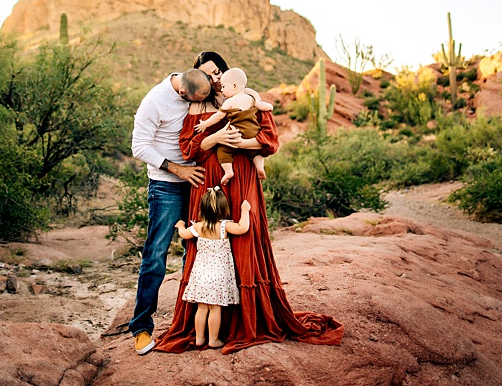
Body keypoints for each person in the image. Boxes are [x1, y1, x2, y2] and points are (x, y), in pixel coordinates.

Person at [154, 74, 344, 354]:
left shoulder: (247, 101)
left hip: (242, 179)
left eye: (218, 74)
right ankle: (205, 329)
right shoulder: (193, 111)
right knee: (209, 244)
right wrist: (216, 137)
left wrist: (241, 144)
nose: (215, 80)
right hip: (208, 182)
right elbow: (188, 150)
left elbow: (269, 141)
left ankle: (245, 320)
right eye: (209, 75)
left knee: (243, 240)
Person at [126, 66, 244, 355]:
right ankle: (141, 328)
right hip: (167, 183)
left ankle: (190, 322)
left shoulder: (196, 84)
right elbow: (139, 147)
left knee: (195, 251)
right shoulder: (154, 102)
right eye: (190, 101)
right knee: (156, 254)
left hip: (197, 181)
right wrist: (177, 169)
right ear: (181, 93)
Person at [174, 189, 251, 349]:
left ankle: (200, 338)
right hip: (219, 276)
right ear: (224, 209)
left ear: (202, 208)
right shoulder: (225, 226)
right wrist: (245, 211)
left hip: (201, 275)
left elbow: (184, 234)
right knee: (215, 309)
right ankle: (213, 339)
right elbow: (243, 228)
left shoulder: (199, 226)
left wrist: (181, 225)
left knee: (201, 308)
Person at [194, 67, 273, 183]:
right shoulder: (251, 99)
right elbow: (266, 107)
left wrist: (204, 124)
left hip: (237, 133)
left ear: (234, 86)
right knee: (256, 153)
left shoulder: (229, 102)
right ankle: (260, 167)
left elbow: (218, 117)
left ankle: (228, 171)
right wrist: (269, 106)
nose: (221, 90)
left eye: (224, 86)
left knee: (223, 150)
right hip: (253, 132)